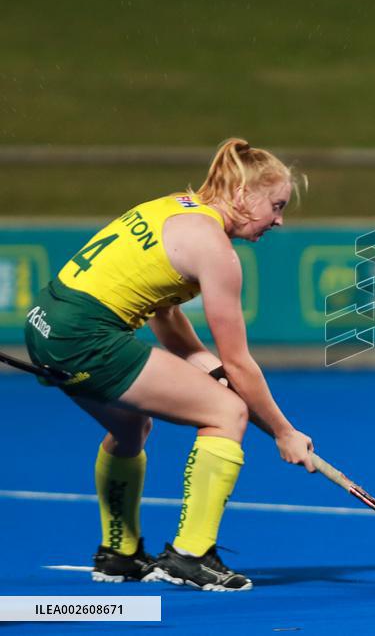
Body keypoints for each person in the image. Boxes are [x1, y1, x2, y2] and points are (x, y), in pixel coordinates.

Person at [23, 138, 316, 592]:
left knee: (130, 428)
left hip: (46, 325)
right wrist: (283, 432)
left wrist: (203, 364)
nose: (279, 219)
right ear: (242, 196)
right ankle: (190, 555)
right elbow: (240, 363)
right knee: (226, 412)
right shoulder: (216, 251)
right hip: (86, 336)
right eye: (276, 205)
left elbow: (163, 312)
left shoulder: (177, 207)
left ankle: (118, 554)